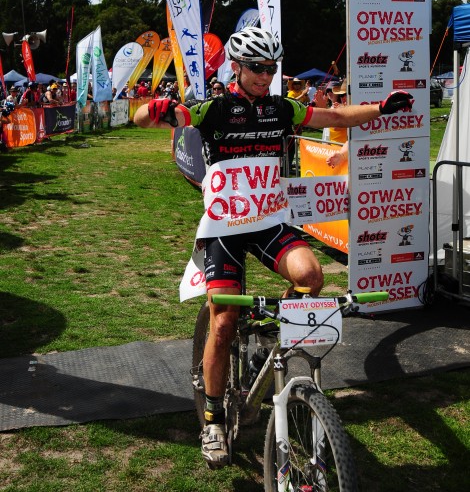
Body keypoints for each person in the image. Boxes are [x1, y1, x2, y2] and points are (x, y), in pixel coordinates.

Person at [134, 26, 413, 468]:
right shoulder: (214, 109)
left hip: (269, 224)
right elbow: (145, 121)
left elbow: (336, 118)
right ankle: (211, 419)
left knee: (313, 278)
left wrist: (380, 108)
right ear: (238, 68)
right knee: (223, 323)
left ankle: (274, 326)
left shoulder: (282, 108)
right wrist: (157, 107)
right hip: (224, 228)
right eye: (259, 68)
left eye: (272, 68)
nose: (267, 75)